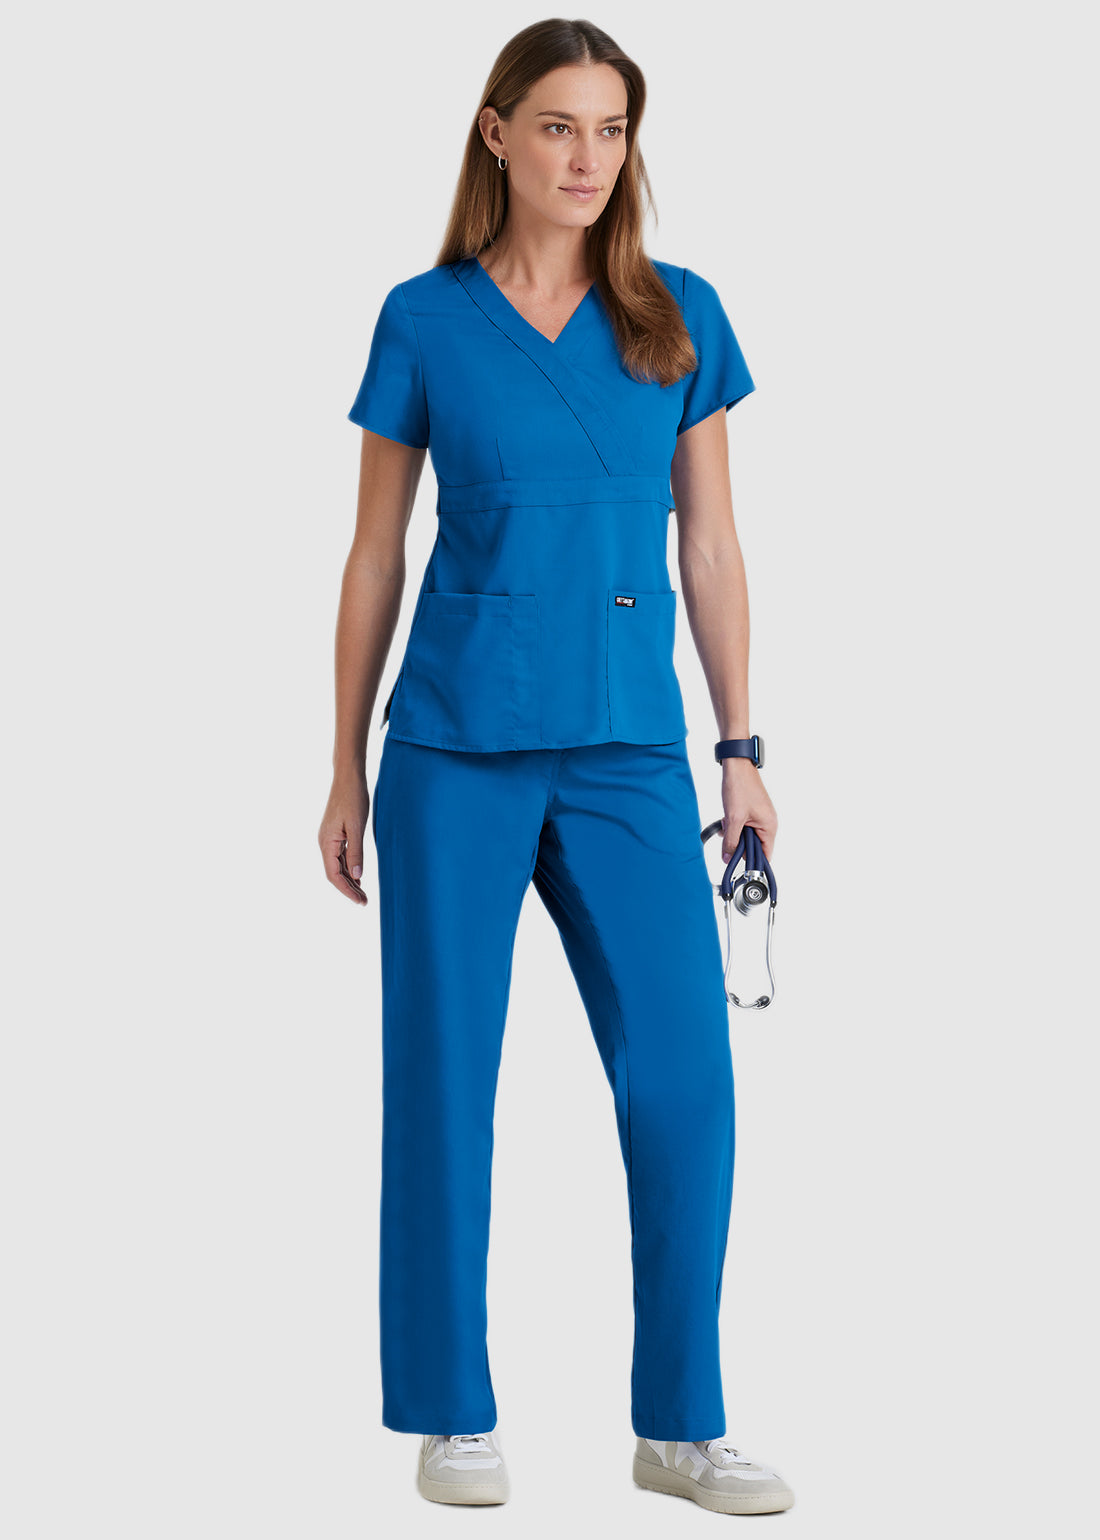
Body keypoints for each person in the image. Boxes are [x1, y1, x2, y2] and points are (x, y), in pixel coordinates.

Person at [318, 17, 793, 1516]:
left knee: (688, 1083)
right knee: (444, 1080)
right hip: (451, 750)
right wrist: (342, 762)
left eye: (612, 129)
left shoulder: (678, 314)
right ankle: (450, 1413)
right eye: (559, 126)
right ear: (497, 133)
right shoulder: (424, 318)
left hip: (628, 751)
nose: (589, 157)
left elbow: (710, 545)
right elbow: (375, 552)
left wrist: (741, 748)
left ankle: (681, 1427)